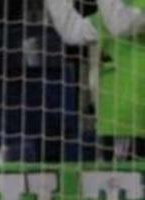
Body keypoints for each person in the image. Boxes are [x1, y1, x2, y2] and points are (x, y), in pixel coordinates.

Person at [46, 0, 145, 160]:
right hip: (121, 122)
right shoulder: (117, 8)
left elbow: (121, 24)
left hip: (133, 118)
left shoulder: (124, 11)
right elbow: (73, 31)